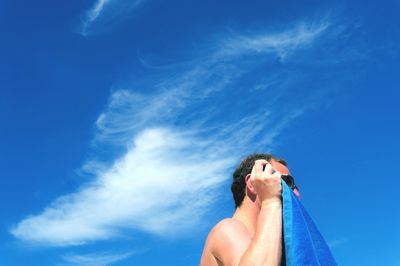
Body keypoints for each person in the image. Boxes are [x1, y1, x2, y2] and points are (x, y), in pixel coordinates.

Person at [200, 153, 301, 266]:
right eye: (287, 182)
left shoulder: (274, 248)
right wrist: (270, 201)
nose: (297, 194)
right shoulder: (226, 229)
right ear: (252, 184)